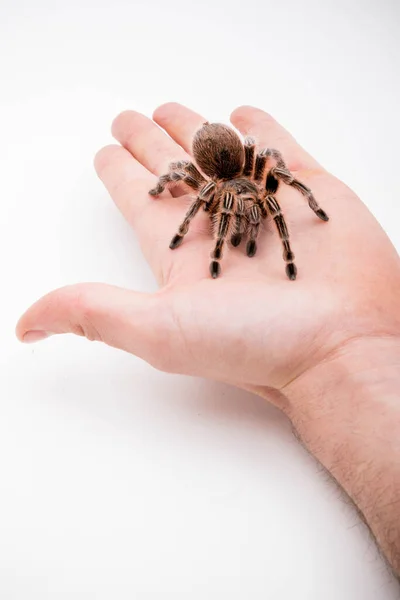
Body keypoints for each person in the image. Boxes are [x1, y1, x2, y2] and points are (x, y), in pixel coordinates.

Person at [16, 103, 400, 577]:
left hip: (235, 171)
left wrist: (311, 217)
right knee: (210, 199)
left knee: (273, 202)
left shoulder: (261, 187)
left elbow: (279, 176)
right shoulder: (207, 188)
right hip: (218, 171)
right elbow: (199, 199)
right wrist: (187, 230)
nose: (248, 208)